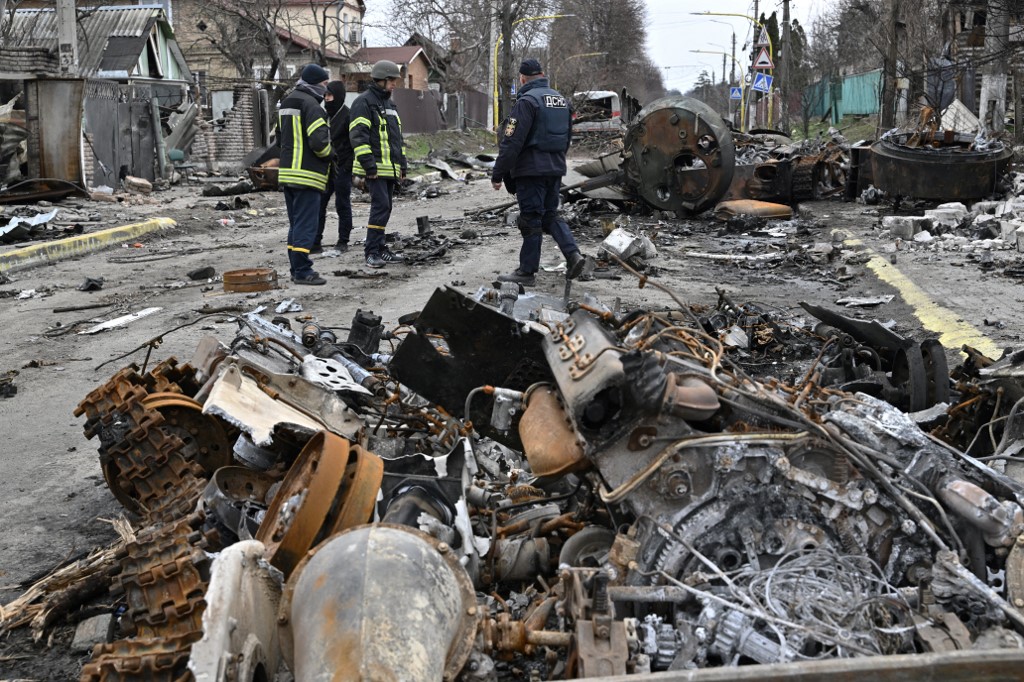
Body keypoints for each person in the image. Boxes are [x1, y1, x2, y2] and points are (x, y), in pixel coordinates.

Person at [491, 58, 585, 286]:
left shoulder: (527, 101)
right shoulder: (561, 101)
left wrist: (498, 174)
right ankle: (573, 255)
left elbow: (511, 142)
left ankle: (527, 272)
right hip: (555, 168)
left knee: (531, 219)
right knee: (550, 215)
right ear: (542, 74)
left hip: (530, 170)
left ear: (522, 78)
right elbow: (567, 139)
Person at [350, 59, 407, 268]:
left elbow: (396, 139)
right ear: (381, 80)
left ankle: (381, 249)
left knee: (386, 207)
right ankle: (371, 251)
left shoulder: (390, 104)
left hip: (389, 169)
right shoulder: (363, 102)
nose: (394, 84)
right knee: (380, 206)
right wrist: (369, 167)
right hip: (375, 169)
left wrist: (402, 166)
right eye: (392, 80)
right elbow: (358, 137)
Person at [279, 63, 333, 285]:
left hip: (288, 173)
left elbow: (279, 137)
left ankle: (295, 268)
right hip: (307, 175)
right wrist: (332, 154)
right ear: (315, 84)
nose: (326, 89)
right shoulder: (312, 105)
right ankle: (302, 271)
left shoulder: (287, 102)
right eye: (324, 84)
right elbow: (320, 143)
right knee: (306, 225)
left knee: (296, 224)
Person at [313, 80, 355, 253]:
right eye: (325, 95)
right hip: (325, 168)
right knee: (319, 204)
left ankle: (343, 241)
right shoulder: (324, 115)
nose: (326, 99)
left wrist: (349, 167)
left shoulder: (347, 116)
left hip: (343, 167)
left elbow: (354, 143)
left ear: (337, 96)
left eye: (329, 95)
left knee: (342, 204)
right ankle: (315, 242)